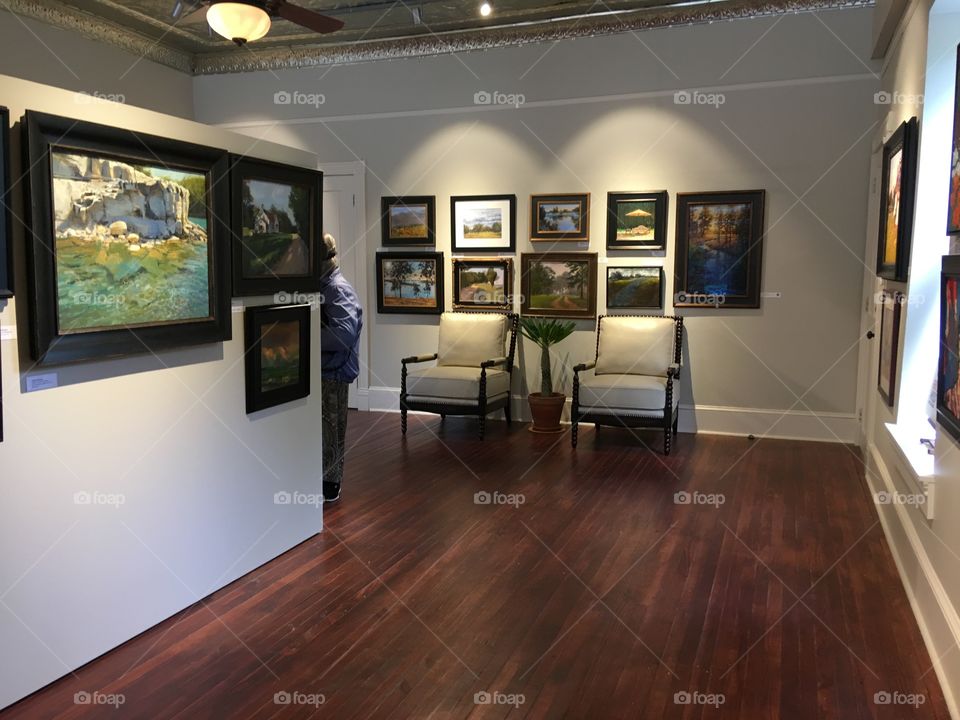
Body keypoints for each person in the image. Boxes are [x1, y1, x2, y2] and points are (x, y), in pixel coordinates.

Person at [318, 233, 363, 504]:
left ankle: (330, 485)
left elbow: (343, 335)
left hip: (333, 373)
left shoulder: (336, 289)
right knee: (325, 431)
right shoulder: (327, 286)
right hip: (326, 371)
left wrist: (305, 338)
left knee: (331, 431)